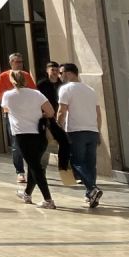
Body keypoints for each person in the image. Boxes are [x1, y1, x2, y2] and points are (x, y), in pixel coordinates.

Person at [2, 73, 56, 208]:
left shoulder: (8, 95)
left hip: (22, 134)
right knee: (34, 165)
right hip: (40, 134)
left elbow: (6, 109)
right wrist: (37, 114)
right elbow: (50, 112)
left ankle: (48, 200)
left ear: (12, 81)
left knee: (35, 167)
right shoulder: (37, 94)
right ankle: (27, 194)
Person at [56, 63, 104, 209]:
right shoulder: (90, 90)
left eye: (61, 73)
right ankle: (90, 195)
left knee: (76, 162)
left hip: (76, 131)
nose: (59, 76)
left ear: (69, 73)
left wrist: (58, 129)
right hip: (92, 131)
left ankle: (92, 189)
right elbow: (98, 113)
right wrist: (98, 131)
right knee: (90, 164)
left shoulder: (66, 89)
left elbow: (61, 111)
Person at [0, 53, 32, 183]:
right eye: (17, 62)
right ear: (11, 63)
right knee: (16, 144)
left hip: (27, 114)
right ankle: (20, 171)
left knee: (30, 143)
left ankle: (32, 169)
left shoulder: (26, 75)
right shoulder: (4, 76)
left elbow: (34, 91)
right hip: (11, 114)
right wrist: (13, 95)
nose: (20, 64)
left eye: (21, 62)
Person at [36, 61, 73, 185]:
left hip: (58, 119)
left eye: (57, 70)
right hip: (45, 119)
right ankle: (41, 173)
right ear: (47, 71)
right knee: (44, 146)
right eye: (53, 70)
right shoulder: (41, 85)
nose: (55, 72)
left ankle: (65, 173)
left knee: (65, 143)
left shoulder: (62, 85)